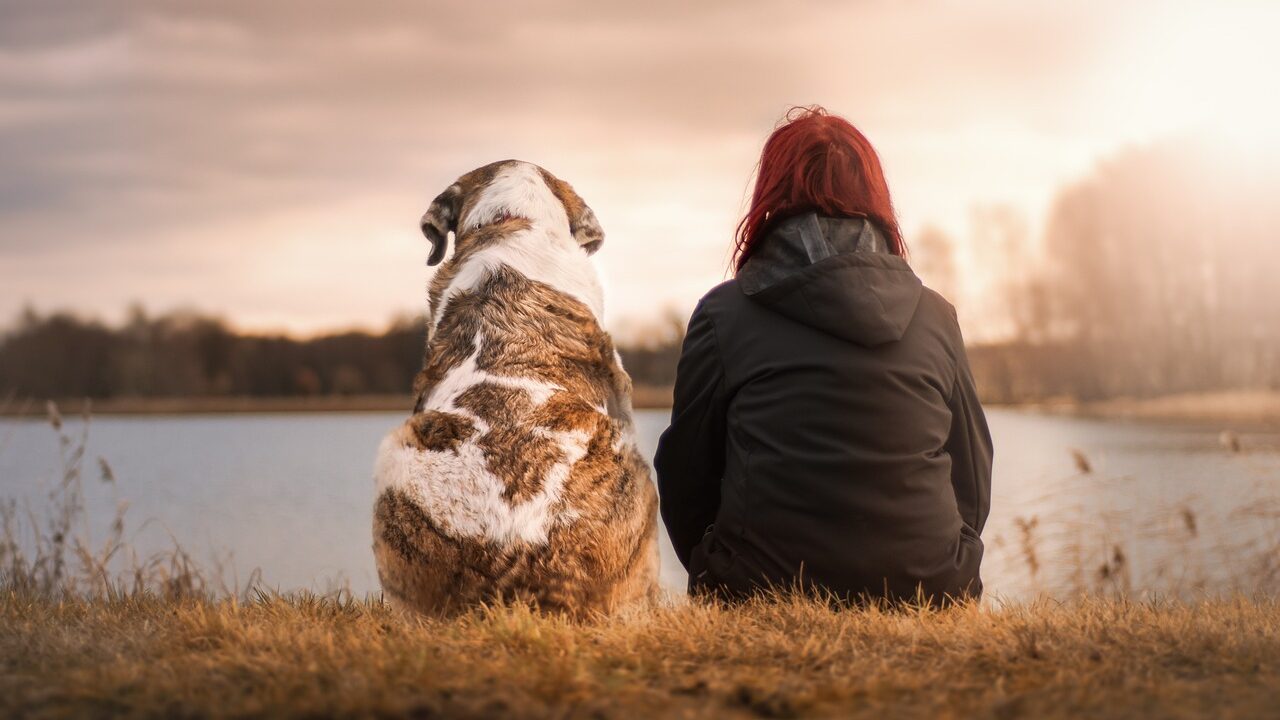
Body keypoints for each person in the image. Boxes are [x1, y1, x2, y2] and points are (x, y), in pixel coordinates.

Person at [654, 106, 993, 605]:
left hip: (758, 589)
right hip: (930, 589)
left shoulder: (723, 315)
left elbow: (685, 473)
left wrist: (717, 566)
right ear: (875, 196)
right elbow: (972, 473)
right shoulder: (936, 316)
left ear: (771, 195)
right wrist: (944, 559)